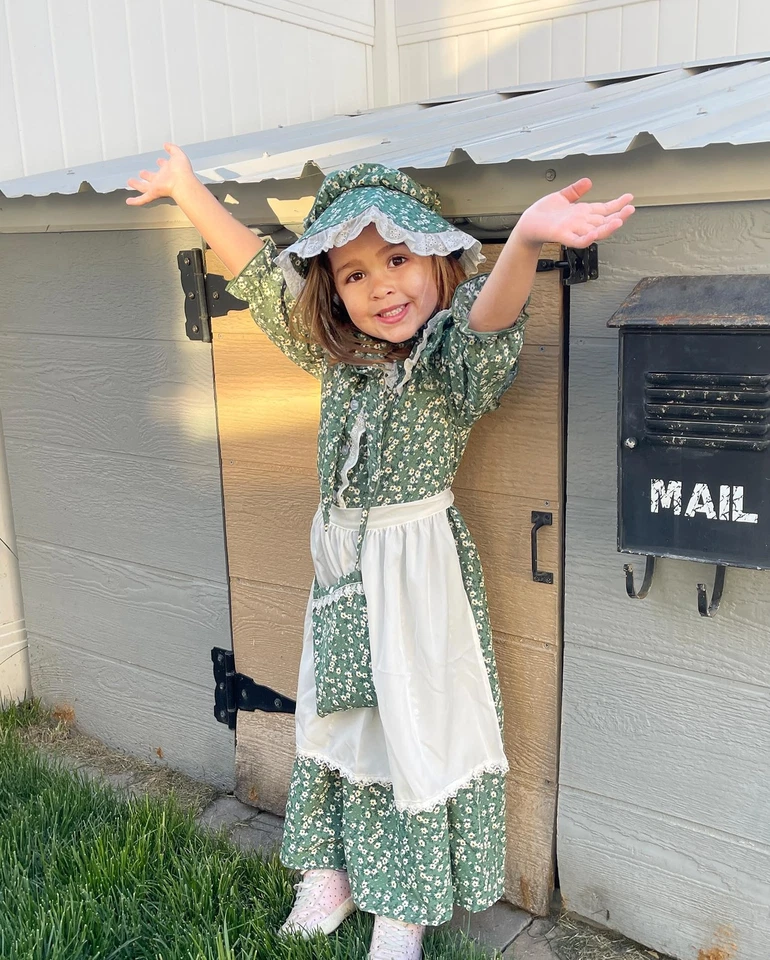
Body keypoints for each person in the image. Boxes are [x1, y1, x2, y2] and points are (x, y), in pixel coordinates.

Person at [127, 146, 633, 960]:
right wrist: (187, 190)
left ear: (437, 263)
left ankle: (402, 911)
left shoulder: (444, 365)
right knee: (338, 717)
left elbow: (489, 319)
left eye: (397, 259)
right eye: (355, 274)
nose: (380, 286)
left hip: (414, 575)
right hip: (343, 573)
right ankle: (329, 873)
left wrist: (528, 243)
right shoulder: (340, 360)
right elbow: (261, 274)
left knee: (409, 727)